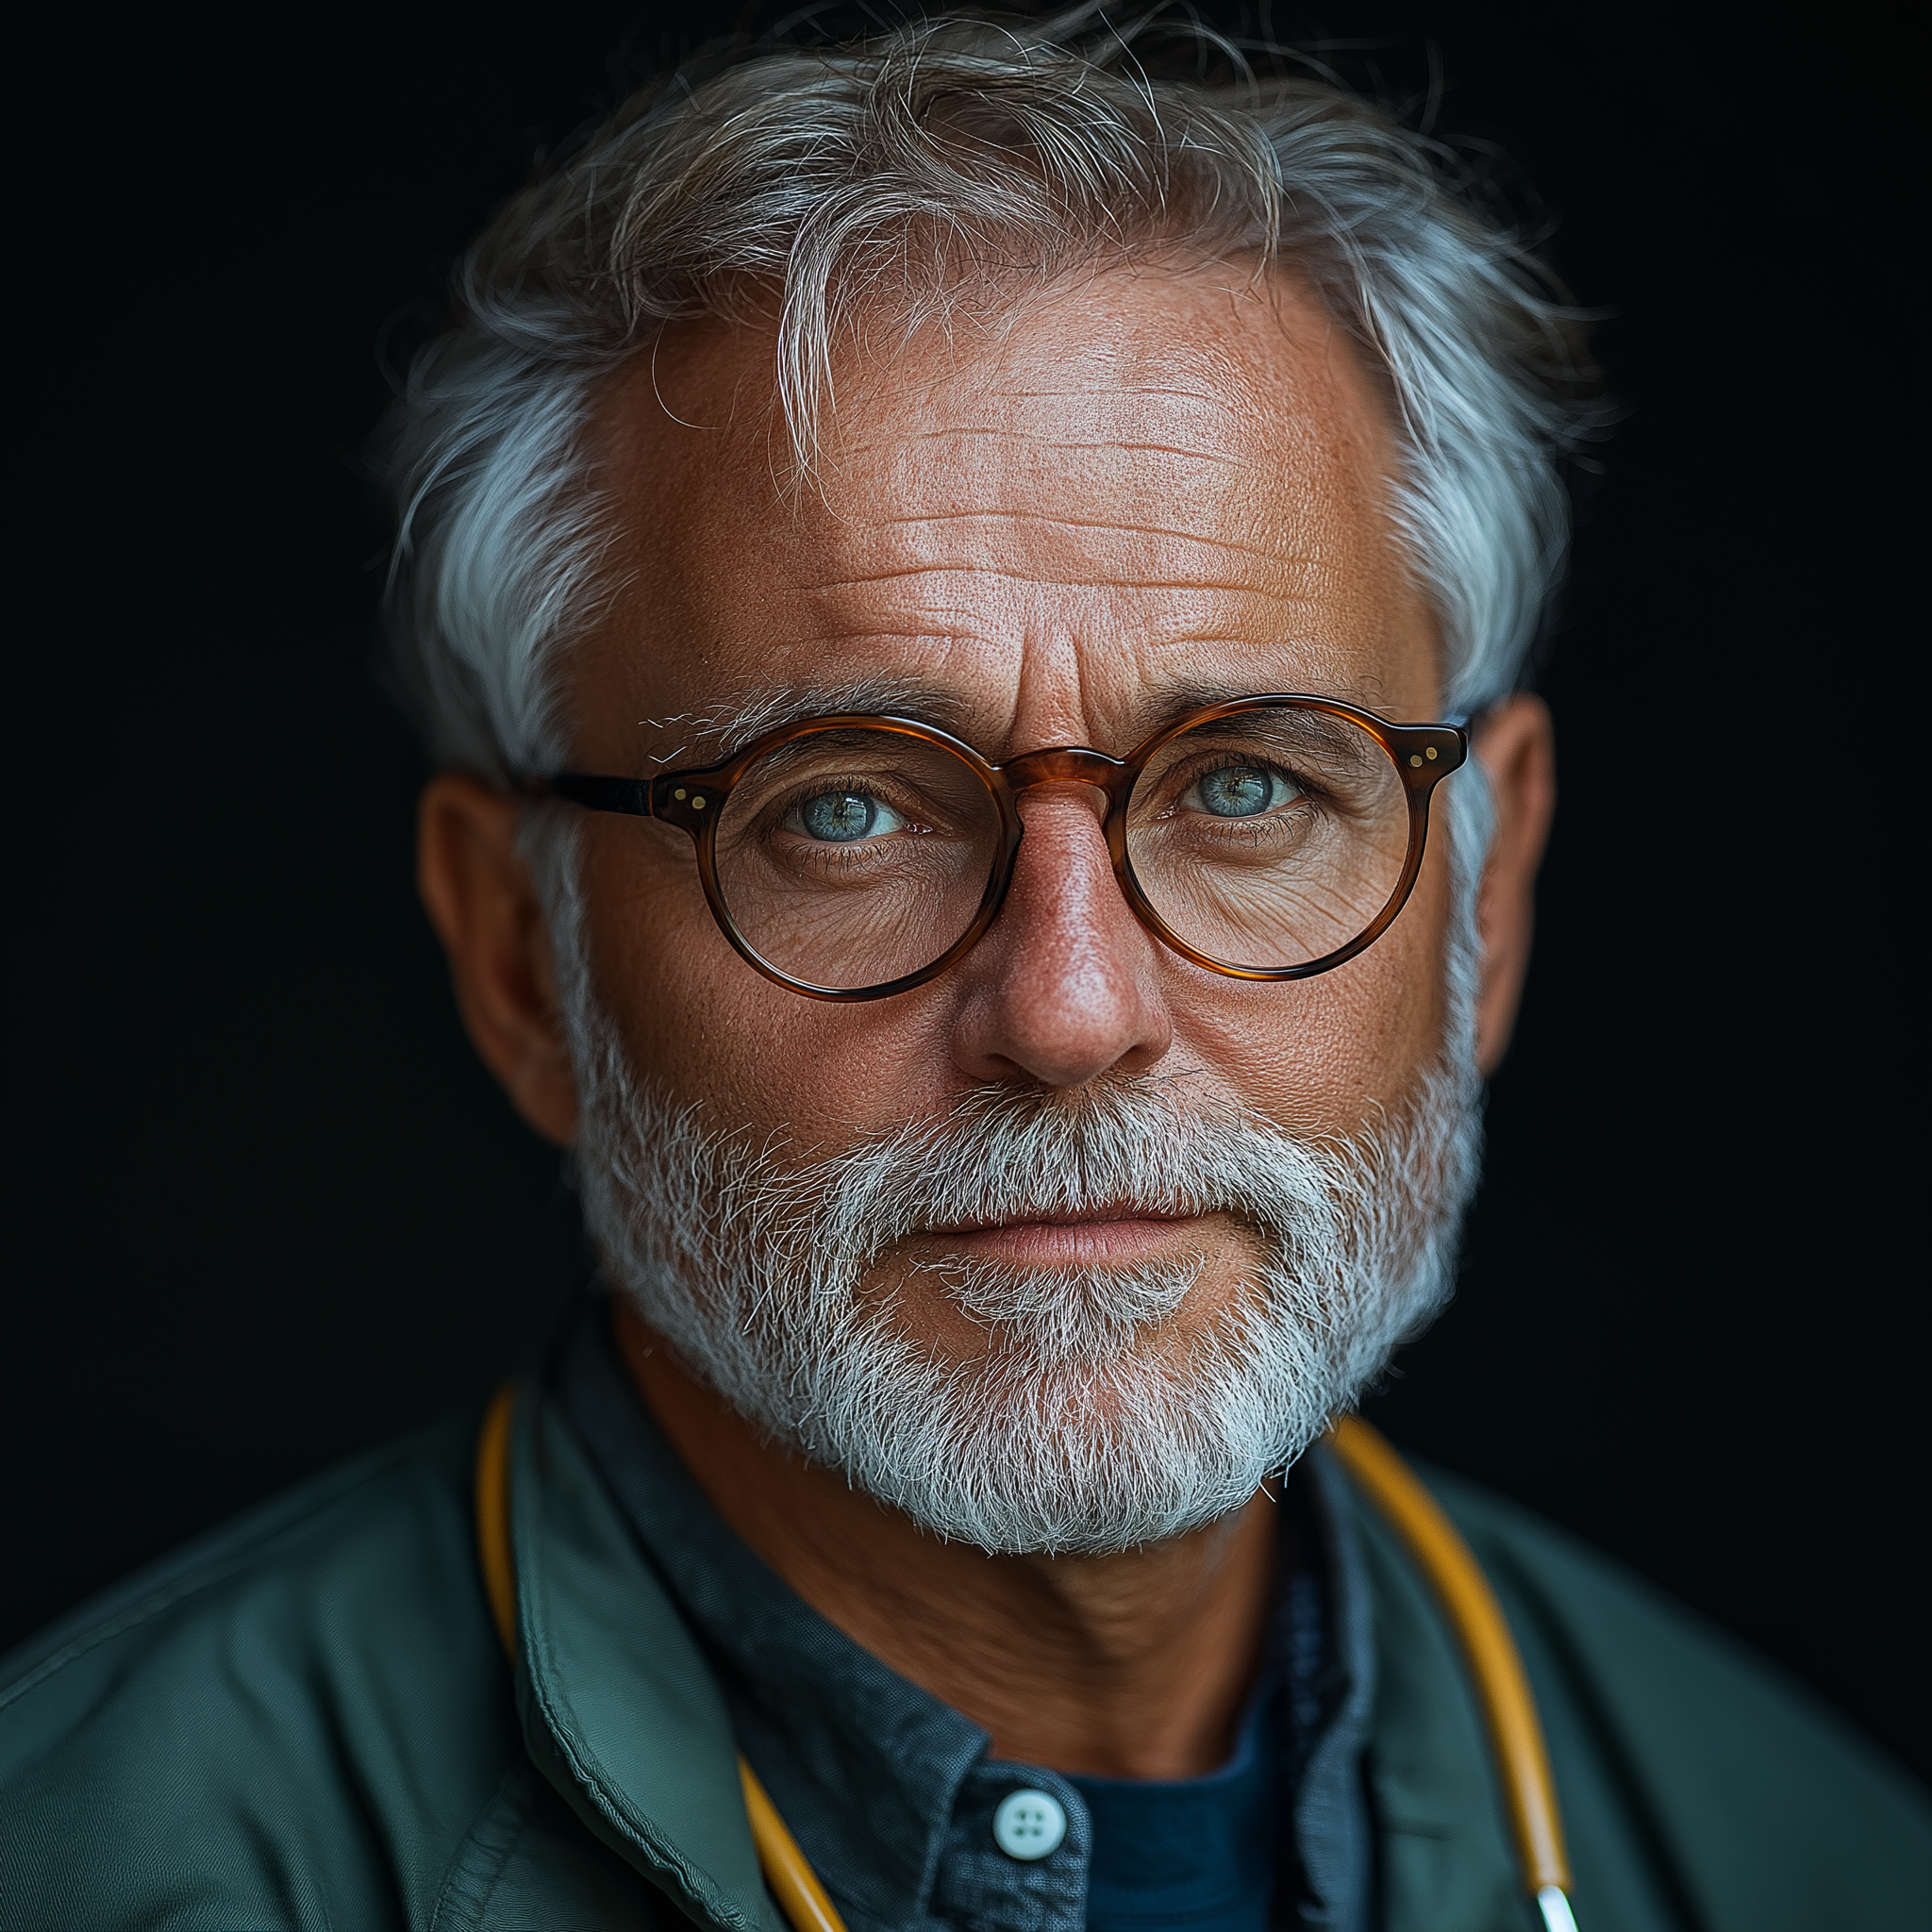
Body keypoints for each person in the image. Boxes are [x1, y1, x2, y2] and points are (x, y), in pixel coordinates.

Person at [2, 12, 1925, 1929]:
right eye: (843, 809)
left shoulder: (1814, 1864)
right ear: (523, 954)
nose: (1072, 1010)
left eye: (1247, 785)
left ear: (1482, 902)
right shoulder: (102, 1871)